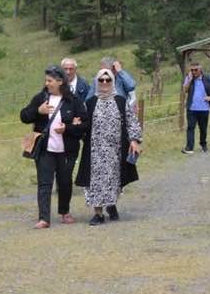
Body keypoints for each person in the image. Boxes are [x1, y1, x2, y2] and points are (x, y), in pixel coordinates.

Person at [20, 65, 86, 229]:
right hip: (44, 149)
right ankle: (44, 218)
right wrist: (38, 111)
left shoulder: (73, 100)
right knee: (44, 183)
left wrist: (68, 128)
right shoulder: (40, 98)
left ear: (60, 81)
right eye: (46, 80)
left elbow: (85, 124)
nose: (47, 83)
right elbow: (23, 116)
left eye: (50, 80)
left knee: (65, 182)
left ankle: (64, 212)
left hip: (67, 150)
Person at [75, 68, 142, 225]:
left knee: (114, 180)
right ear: (97, 82)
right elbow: (83, 122)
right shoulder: (89, 103)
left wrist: (134, 140)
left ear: (112, 82)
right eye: (101, 80)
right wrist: (77, 124)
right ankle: (98, 213)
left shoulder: (120, 101)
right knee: (95, 182)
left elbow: (131, 121)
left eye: (108, 80)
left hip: (115, 150)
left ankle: (111, 205)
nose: (104, 83)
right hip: (94, 151)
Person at [182, 61, 210, 154]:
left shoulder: (207, 77)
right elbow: (185, 90)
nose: (194, 72)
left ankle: (203, 145)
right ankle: (189, 147)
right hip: (191, 108)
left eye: (196, 70)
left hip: (204, 108)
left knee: (203, 128)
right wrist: (190, 80)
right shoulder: (189, 78)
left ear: (200, 69)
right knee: (190, 127)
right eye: (192, 70)